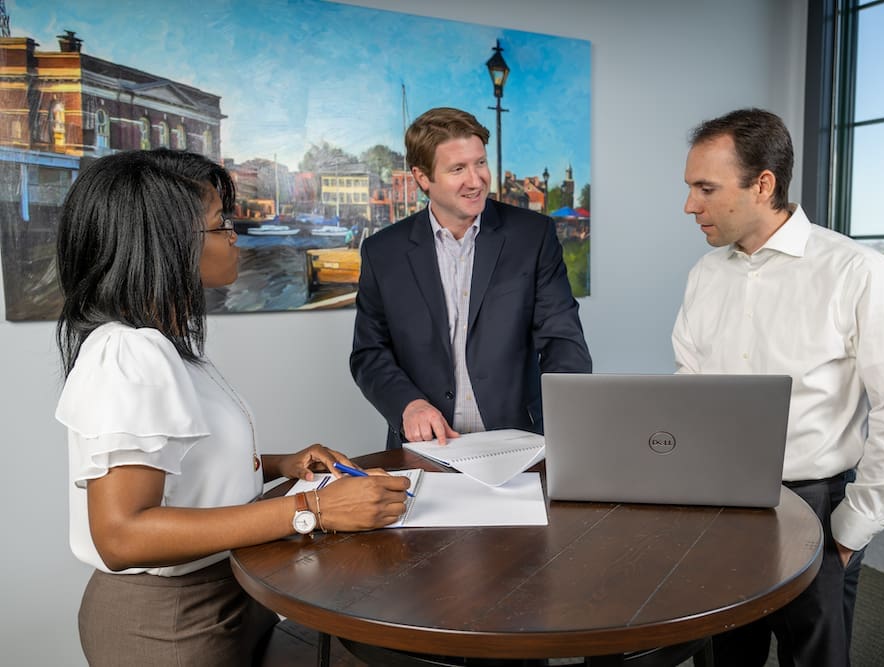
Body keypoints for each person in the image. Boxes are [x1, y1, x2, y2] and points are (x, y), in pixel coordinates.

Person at [55, 148, 410, 666]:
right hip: (169, 625)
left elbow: (176, 465)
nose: (233, 236)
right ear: (170, 242)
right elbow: (122, 534)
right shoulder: (126, 352)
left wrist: (280, 464)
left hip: (232, 598)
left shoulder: (166, 348)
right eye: (221, 224)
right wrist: (310, 509)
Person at [672, 108, 884, 666]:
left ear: (763, 184)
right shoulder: (704, 276)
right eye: (691, 188)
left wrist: (849, 533)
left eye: (705, 188)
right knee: (721, 658)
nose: (690, 206)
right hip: (720, 507)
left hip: (816, 509)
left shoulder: (857, 271)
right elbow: (688, 390)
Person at [351, 107, 592, 449]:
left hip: (520, 444)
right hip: (425, 450)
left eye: (480, 163)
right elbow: (369, 353)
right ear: (422, 178)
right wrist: (409, 405)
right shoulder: (382, 253)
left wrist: (563, 422)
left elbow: (564, 341)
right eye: (458, 169)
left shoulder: (533, 236)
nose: (476, 180)